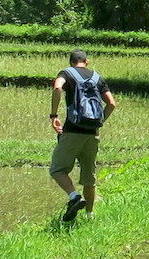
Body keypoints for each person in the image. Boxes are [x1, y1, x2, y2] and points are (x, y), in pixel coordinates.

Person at [50, 50, 116, 222]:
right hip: (92, 133)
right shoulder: (97, 77)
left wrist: (54, 115)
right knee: (89, 177)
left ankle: (73, 197)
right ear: (86, 61)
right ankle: (89, 215)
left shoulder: (67, 74)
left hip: (72, 131)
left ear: (72, 62)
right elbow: (111, 103)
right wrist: (99, 121)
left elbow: (57, 87)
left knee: (57, 169)